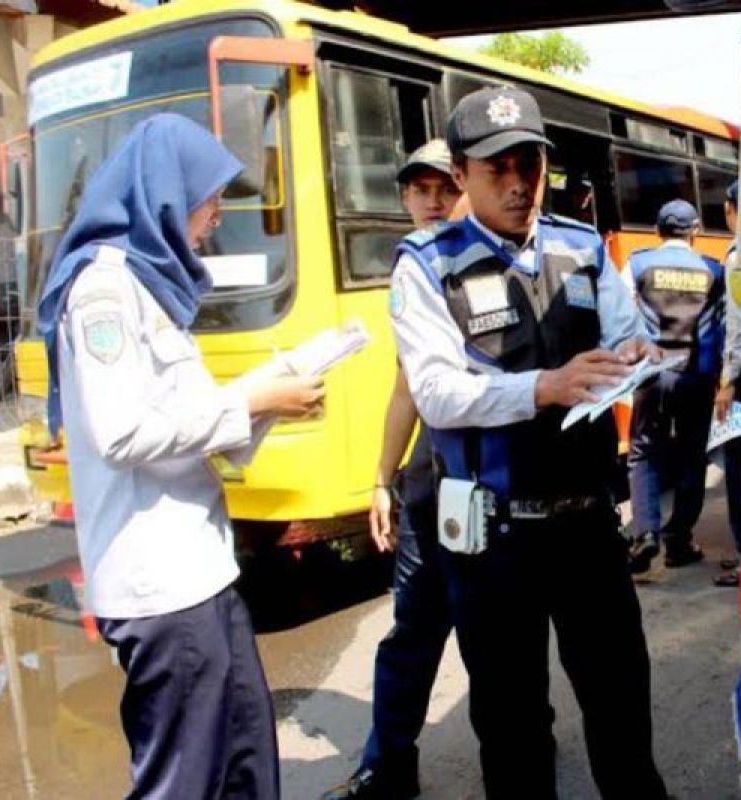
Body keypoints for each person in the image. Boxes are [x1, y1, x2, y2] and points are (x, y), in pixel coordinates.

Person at [390, 86, 669, 800]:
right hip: (494, 540)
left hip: (585, 524)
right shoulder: (426, 265)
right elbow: (438, 392)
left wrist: (633, 351)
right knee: (513, 729)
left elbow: (618, 332)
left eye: (529, 166)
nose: (518, 185)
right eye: (497, 170)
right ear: (460, 174)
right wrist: (542, 387)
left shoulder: (580, 250)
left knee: (621, 709)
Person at [36, 113, 325, 799]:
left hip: (201, 570)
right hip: (159, 586)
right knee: (185, 778)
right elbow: (126, 429)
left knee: (246, 760)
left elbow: (188, 424)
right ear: (166, 194)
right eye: (210, 197)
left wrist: (269, 395)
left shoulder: (151, 291)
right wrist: (255, 403)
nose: (217, 216)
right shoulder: (103, 291)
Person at [323, 139, 462, 800]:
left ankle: (526, 741)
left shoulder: (496, 264)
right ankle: (388, 764)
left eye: (445, 187)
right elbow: (406, 385)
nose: (433, 201)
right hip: (428, 483)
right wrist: (383, 478)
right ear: (404, 197)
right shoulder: (413, 272)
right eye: (419, 189)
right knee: (411, 631)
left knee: (502, 635)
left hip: (490, 483)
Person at [624, 199, 724, 574]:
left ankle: (644, 533)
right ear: (695, 231)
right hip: (697, 376)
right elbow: (726, 327)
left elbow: (620, 314)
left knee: (643, 452)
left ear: (657, 231)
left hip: (651, 374)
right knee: (691, 456)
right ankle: (679, 540)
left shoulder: (637, 264)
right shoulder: (713, 271)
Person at [713, 177, 741, 588]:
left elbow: (738, 326)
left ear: (731, 209)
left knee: (739, 465)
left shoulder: (740, 257)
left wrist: (727, 381)